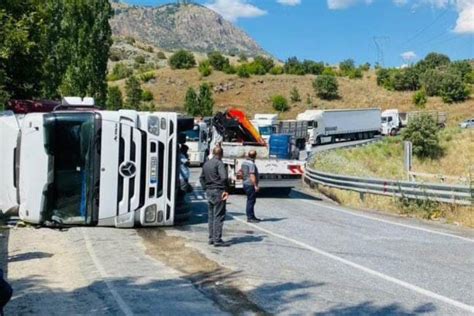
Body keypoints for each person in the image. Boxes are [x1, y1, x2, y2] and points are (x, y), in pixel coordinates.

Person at [200, 147, 229, 247]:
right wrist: (224, 189)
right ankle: (217, 239)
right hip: (218, 191)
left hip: (209, 191)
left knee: (211, 215)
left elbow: (201, 178)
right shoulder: (219, 163)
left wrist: (205, 188)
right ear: (221, 154)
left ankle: (211, 238)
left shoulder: (206, 163)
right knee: (219, 215)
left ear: (212, 153)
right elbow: (224, 177)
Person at [242, 150, 261, 223]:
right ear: (255, 156)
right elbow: (252, 175)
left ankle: (252, 216)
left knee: (250, 200)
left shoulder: (244, 163)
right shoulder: (251, 164)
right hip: (250, 184)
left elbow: (241, 172)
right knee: (251, 201)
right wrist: (255, 185)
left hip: (245, 183)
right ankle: (250, 217)